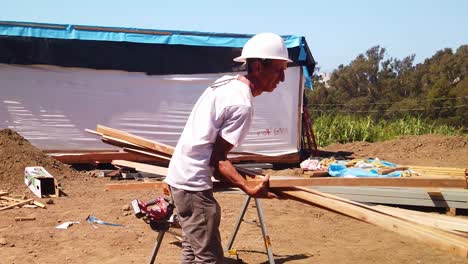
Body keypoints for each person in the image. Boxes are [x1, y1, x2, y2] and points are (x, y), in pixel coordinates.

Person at [165, 32, 291, 264]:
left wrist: (238, 176)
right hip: (193, 185)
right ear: (257, 67)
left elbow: (213, 152)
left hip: (179, 176)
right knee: (209, 259)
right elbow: (218, 159)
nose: (282, 78)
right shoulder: (241, 104)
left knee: (192, 250)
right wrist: (247, 187)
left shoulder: (225, 82)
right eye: (278, 69)